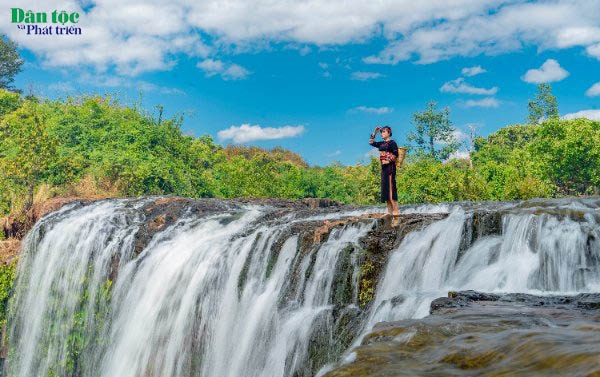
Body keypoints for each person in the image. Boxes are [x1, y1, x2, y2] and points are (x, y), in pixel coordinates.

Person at [369, 125, 400, 216]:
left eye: (383, 132)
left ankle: (396, 211)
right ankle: (389, 212)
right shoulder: (381, 144)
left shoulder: (392, 143)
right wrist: (375, 132)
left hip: (390, 168)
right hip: (383, 169)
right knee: (385, 190)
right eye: (381, 132)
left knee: (391, 189)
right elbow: (371, 142)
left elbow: (396, 154)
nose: (382, 134)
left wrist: (388, 160)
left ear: (389, 132)